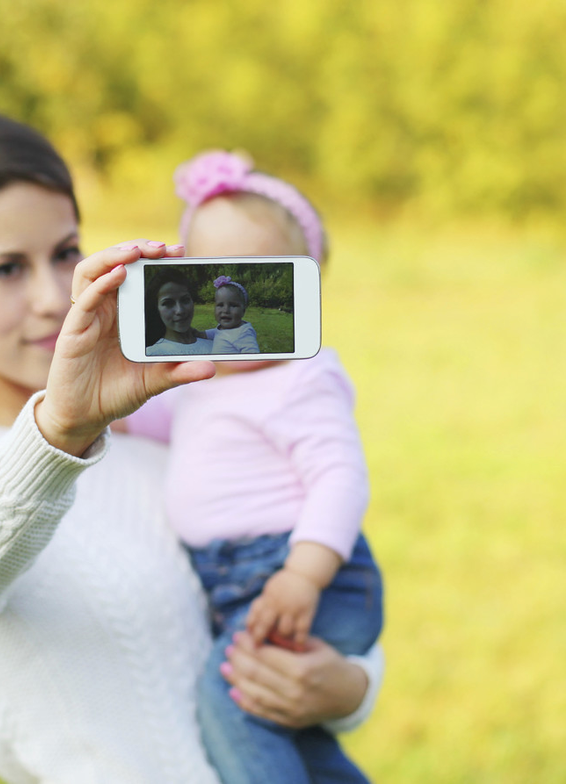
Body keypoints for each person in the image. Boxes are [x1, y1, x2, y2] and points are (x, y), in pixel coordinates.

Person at [0, 112, 383, 784]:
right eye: (5, 269)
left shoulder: (157, 434)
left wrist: (350, 689)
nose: (51, 298)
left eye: (66, 253)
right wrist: (58, 431)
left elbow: (280, 610)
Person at [123, 150, 384, 784]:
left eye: (256, 282)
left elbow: (340, 477)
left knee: (233, 700)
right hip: (240, 582)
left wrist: (302, 576)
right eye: (203, 279)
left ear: (300, 291)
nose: (224, 302)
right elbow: (157, 421)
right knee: (289, 733)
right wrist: (118, 403)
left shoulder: (302, 378)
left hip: (303, 577)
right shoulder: (203, 375)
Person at [145, 267, 215, 355]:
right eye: (168, 303)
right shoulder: (151, 354)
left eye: (185, 300)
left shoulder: (217, 347)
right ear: (156, 308)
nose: (180, 311)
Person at [206, 274, 260, 354]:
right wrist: (201, 334)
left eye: (233, 305)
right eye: (220, 305)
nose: (226, 310)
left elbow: (253, 357)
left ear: (243, 311)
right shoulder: (222, 328)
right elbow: (216, 333)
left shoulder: (243, 333)